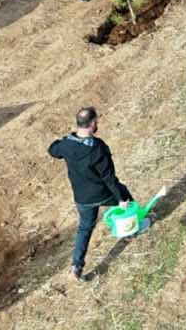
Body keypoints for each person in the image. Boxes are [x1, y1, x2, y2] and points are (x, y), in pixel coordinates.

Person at [48, 106, 136, 282]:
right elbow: (109, 178)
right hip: (102, 194)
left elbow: (52, 149)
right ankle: (129, 232)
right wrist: (121, 199)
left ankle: (77, 266)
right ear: (92, 123)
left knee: (85, 229)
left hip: (82, 198)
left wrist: (66, 140)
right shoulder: (98, 148)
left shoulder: (66, 146)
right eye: (96, 121)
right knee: (126, 197)